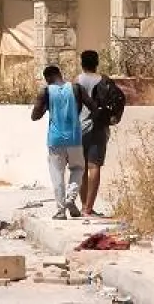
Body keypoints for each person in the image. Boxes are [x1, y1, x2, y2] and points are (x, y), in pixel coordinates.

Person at [31, 64, 93, 220]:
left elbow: (34, 116)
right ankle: (70, 199)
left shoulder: (46, 91)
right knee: (78, 169)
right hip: (75, 138)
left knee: (57, 175)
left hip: (55, 140)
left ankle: (60, 211)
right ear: (60, 74)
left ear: (47, 79)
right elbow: (93, 106)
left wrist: (46, 105)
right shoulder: (76, 88)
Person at [76, 49, 110, 217]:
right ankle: (89, 208)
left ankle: (83, 206)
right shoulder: (103, 80)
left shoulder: (76, 81)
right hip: (98, 127)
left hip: (79, 128)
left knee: (81, 167)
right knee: (94, 166)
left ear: (82, 63)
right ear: (96, 63)